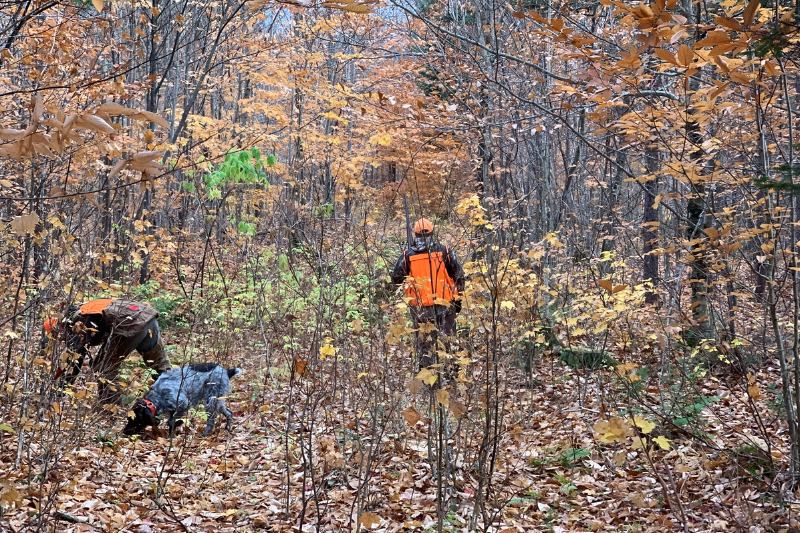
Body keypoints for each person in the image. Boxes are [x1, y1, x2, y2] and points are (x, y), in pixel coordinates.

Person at [43, 298, 171, 403]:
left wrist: (60, 389)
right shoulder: (89, 308)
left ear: (61, 325)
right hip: (148, 317)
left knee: (103, 366)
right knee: (160, 365)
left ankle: (109, 407)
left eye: (56, 333)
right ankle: (175, 395)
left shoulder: (80, 320)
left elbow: (75, 358)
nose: (60, 337)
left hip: (131, 325)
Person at [391, 218, 465, 370]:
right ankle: (451, 376)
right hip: (445, 304)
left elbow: (396, 278)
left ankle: (428, 381)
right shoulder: (445, 251)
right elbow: (459, 275)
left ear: (415, 234)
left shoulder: (408, 255)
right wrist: (458, 300)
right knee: (448, 340)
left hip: (420, 308)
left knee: (425, 344)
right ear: (433, 232)